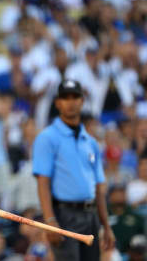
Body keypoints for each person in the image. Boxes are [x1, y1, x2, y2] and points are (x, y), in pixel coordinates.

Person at [32, 79, 115, 261]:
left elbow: (98, 187)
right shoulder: (47, 138)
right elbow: (42, 183)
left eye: (75, 97)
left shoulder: (91, 142)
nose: (71, 102)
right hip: (64, 214)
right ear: (58, 103)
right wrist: (50, 221)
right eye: (65, 97)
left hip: (91, 214)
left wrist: (106, 226)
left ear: (82, 101)